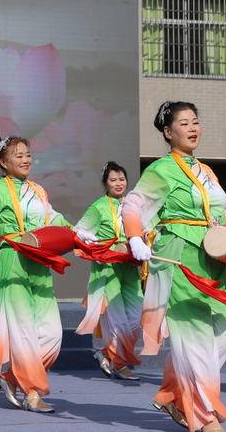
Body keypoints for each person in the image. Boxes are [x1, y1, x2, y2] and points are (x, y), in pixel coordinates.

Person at [122, 101, 226, 432]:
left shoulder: (207, 171)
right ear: (168, 132)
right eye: (184, 123)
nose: (193, 128)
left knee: (225, 335)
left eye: (195, 122)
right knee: (194, 337)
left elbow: (222, 212)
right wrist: (134, 238)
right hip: (181, 256)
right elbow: (133, 205)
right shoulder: (161, 169)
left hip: (214, 258)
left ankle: (173, 394)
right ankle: (203, 415)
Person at [0, 135, 74, 414]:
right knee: (23, 332)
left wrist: (77, 233)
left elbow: (53, 218)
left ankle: (10, 377)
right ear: (3, 162)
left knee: (52, 335)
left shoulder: (38, 190)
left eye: (28, 154)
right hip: (12, 260)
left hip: (39, 261)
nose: (26, 160)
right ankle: (33, 394)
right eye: (19, 155)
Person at [75, 161, 142, 381]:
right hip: (108, 269)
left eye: (122, 179)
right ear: (106, 183)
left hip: (130, 267)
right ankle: (120, 364)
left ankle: (105, 353)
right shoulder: (99, 207)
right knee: (118, 320)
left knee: (136, 318)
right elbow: (79, 232)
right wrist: (98, 245)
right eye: (113, 180)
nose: (118, 183)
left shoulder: (133, 205)